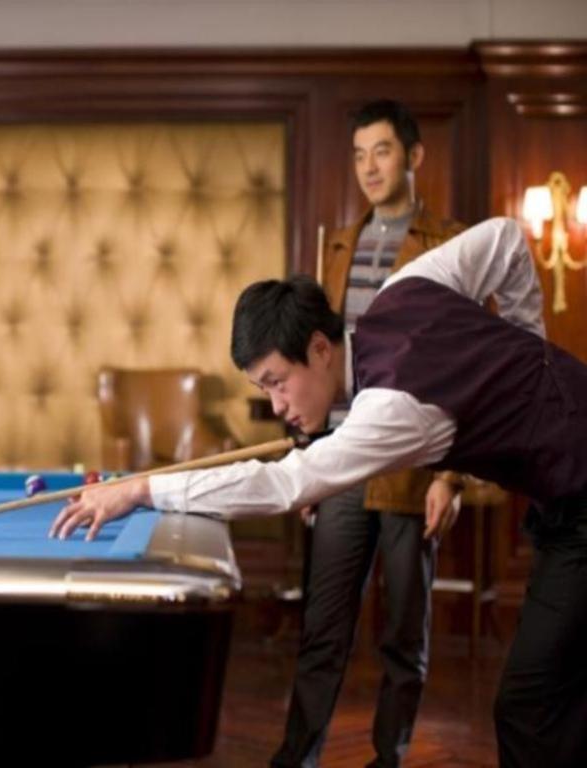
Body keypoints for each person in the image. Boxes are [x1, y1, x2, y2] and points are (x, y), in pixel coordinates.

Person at [49, 217, 587, 768]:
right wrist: (532, 349)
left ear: (320, 348)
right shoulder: (401, 289)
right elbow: (505, 239)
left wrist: (141, 489)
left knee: (528, 709)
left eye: (277, 381)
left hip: (581, 505)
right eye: (263, 389)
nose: (277, 405)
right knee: (549, 701)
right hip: (562, 507)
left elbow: (283, 482)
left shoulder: (392, 408)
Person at [265, 99, 467, 768]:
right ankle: (298, 757)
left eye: (381, 151)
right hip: (344, 458)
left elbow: (466, 360)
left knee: (404, 636)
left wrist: (450, 476)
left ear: (413, 156)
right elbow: (316, 362)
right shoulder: (338, 247)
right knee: (323, 630)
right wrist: (311, 463)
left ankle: (389, 758)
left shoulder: (449, 243)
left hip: (412, 464)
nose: (369, 167)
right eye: (358, 155)